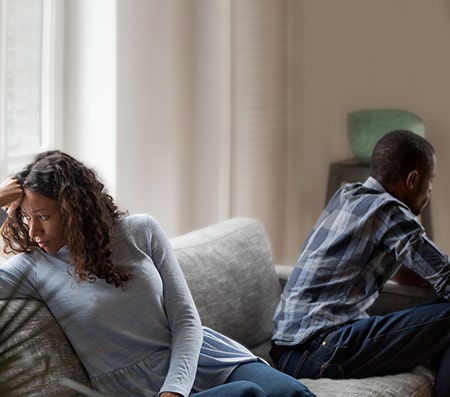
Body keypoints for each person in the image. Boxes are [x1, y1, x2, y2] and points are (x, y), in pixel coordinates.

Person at [0, 150, 316, 397]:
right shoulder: (32, 268)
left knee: (291, 393)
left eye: (43, 216)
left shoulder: (140, 231)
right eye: (26, 217)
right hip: (138, 387)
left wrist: (175, 388)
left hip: (196, 359)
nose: (33, 230)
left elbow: (186, 320)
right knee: (247, 394)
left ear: (73, 209)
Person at [270, 129, 450, 397]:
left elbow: (402, 269)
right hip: (320, 348)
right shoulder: (388, 211)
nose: (431, 189)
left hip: (287, 350)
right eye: (431, 180)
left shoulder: (347, 196)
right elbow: (446, 276)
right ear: (413, 179)